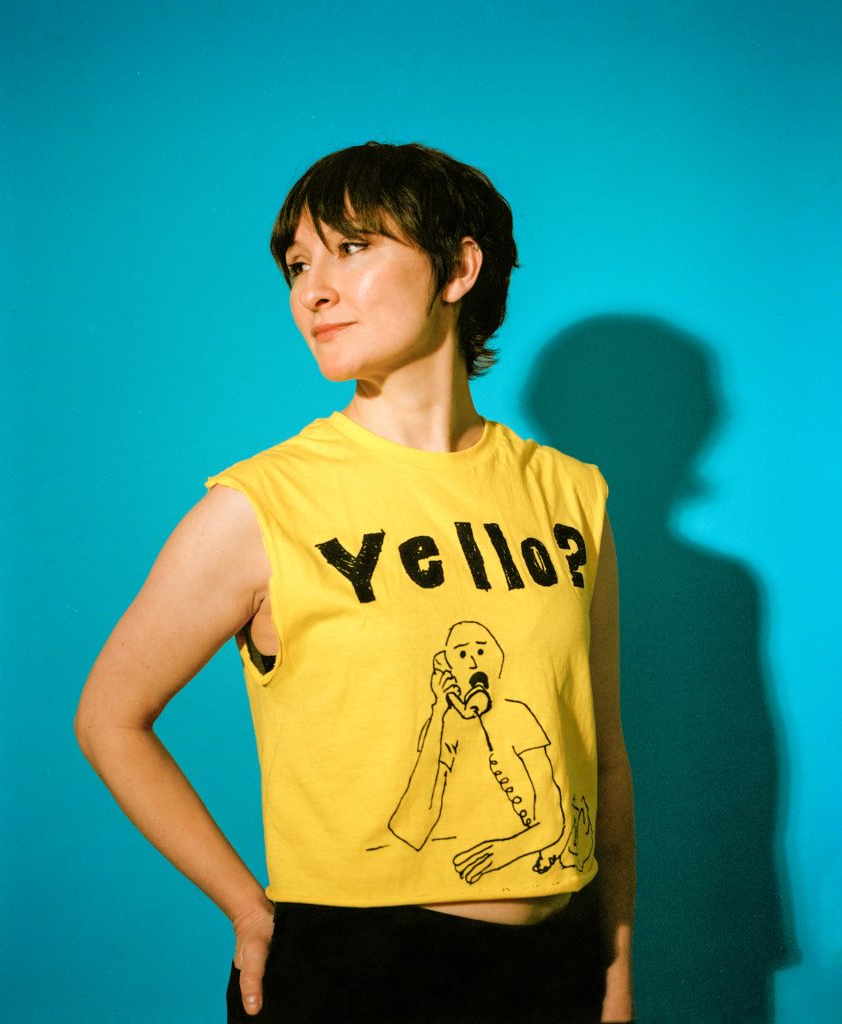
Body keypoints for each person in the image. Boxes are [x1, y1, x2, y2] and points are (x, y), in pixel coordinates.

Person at [75, 141, 636, 1023]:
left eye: (353, 248)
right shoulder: (258, 505)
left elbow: (599, 749)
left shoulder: (572, 492)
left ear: (458, 266)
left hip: (554, 961)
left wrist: (614, 967)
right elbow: (109, 716)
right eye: (298, 264)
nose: (313, 290)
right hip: (359, 973)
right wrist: (247, 906)